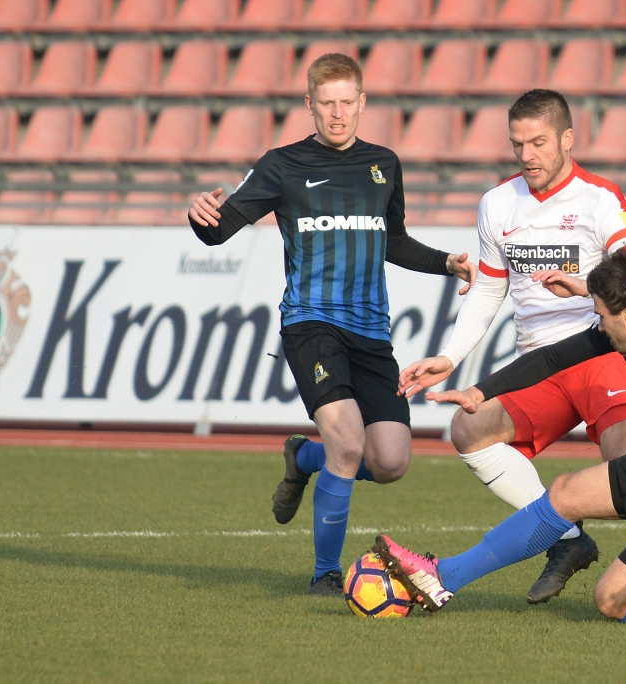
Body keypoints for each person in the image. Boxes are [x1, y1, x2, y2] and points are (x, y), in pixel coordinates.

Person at [393, 88, 626, 603]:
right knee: (469, 427)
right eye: (518, 144)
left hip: (600, 354)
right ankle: (566, 540)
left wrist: (588, 287)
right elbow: (491, 288)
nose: (527, 155)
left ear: (568, 138)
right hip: (538, 362)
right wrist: (450, 357)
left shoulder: (601, 200)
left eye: (538, 142)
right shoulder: (498, 203)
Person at [187, 53, 476, 596]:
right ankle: (324, 573)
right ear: (310, 106)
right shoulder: (282, 164)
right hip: (311, 324)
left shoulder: (384, 164)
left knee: (390, 460)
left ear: (363, 103)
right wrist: (200, 216)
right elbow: (220, 229)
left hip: (371, 332)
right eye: (327, 104)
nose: (338, 114)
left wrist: (446, 263)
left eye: (347, 103)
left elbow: (391, 240)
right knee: (348, 442)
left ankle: (304, 456)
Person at [373, 248, 626, 623]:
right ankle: (444, 575)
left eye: (602, 314)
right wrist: (479, 392)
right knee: (566, 492)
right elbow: (553, 357)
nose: (599, 324)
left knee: (612, 601)